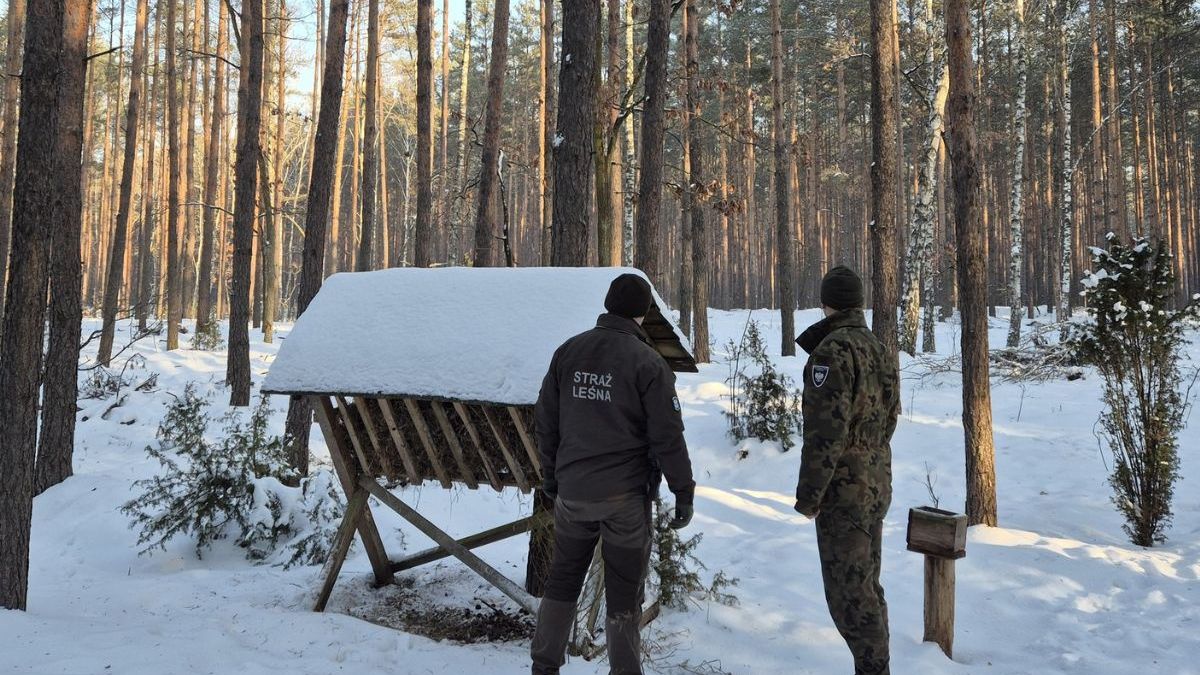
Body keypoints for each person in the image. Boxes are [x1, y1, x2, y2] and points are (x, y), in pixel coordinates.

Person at [531, 272, 696, 675]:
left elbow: (546, 423)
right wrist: (683, 489)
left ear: (608, 305)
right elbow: (667, 435)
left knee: (563, 579)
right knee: (624, 595)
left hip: (572, 494)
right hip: (624, 500)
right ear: (642, 314)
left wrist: (552, 478)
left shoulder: (568, 352)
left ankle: (543, 666)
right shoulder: (647, 363)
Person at [793, 265, 900, 675]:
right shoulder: (876, 347)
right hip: (875, 484)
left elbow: (825, 435)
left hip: (845, 492)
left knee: (851, 596)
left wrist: (810, 496)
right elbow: (890, 417)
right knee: (867, 586)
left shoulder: (832, 352)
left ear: (827, 303)